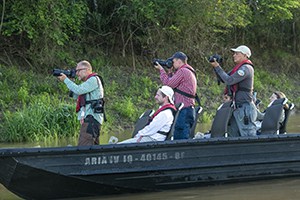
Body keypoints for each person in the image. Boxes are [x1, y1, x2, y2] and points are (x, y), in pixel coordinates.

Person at [210, 45, 257, 137]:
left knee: (247, 135)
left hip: (245, 108)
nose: (234, 55)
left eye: (237, 53)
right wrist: (216, 66)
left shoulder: (246, 68)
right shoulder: (238, 68)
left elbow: (229, 80)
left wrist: (217, 67)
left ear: (245, 55)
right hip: (237, 108)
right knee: (233, 134)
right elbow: (224, 79)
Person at [57, 60, 104, 145]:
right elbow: (75, 94)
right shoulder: (87, 83)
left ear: (86, 70)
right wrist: (70, 81)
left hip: (91, 119)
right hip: (90, 120)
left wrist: (66, 80)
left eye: (78, 70)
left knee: (84, 147)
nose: (77, 73)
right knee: (93, 150)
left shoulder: (93, 79)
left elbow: (78, 90)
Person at [154, 52, 197, 140]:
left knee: (181, 137)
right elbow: (173, 82)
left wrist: (161, 70)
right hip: (188, 108)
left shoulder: (183, 71)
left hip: (184, 109)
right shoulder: (188, 70)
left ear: (178, 61)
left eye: (173, 62)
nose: (172, 64)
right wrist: (169, 71)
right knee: (182, 135)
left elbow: (168, 84)